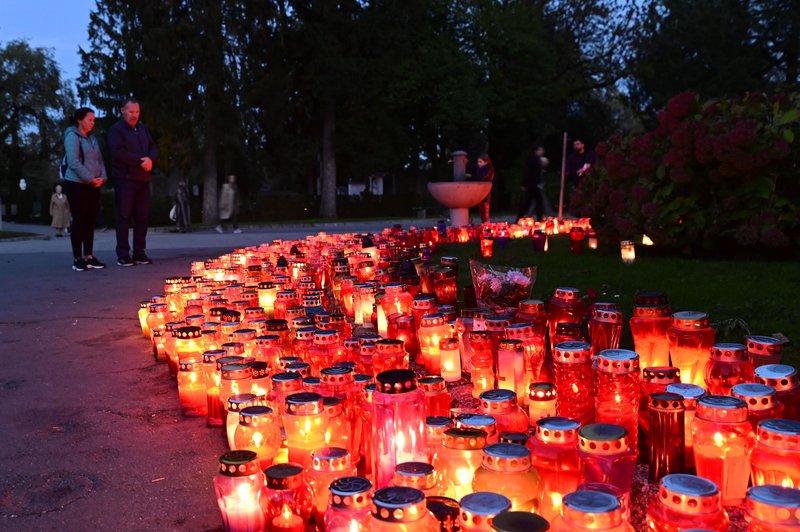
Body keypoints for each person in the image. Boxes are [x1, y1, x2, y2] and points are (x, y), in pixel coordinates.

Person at [108, 97, 158, 266]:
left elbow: (152, 147)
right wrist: (140, 161)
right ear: (123, 111)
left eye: (137, 112)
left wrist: (151, 159)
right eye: (131, 112)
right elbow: (118, 152)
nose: (134, 115)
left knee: (142, 217)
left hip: (143, 180)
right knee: (124, 217)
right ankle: (123, 254)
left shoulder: (142, 129)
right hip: (125, 180)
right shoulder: (117, 130)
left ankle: (139, 252)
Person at [62, 107, 108, 271]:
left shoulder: (92, 139)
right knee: (79, 219)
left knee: (90, 219)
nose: (92, 122)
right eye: (89, 119)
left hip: (94, 185)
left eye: (94, 120)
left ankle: (89, 255)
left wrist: (102, 177)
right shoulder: (72, 137)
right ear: (79, 120)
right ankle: (77, 258)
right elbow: (73, 162)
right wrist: (90, 179)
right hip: (77, 184)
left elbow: (99, 160)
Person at [517, 144, 547, 222]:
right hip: (532, 185)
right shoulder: (533, 160)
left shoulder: (537, 160)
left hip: (534, 184)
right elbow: (527, 172)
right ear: (536, 151)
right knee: (530, 203)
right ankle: (538, 219)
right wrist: (524, 184)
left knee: (535, 202)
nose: (542, 152)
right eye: (540, 150)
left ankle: (538, 219)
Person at [475, 154, 494, 224]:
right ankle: (485, 223)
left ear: (486, 162)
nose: (478, 164)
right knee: (482, 210)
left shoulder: (488, 169)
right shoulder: (481, 169)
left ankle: (486, 224)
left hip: (485, 192)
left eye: (480, 162)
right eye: (478, 162)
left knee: (485, 209)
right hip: (481, 192)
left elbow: (483, 177)